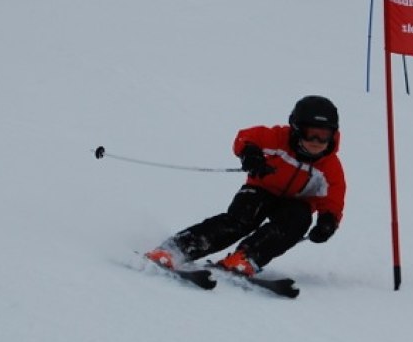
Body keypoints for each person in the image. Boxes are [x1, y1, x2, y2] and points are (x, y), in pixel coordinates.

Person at [146, 95, 346, 277]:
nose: (316, 142)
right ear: (296, 129)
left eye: (324, 136)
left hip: (294, 204)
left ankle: (246, 258)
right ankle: (177, 249)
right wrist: (250, 154)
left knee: (298, 221)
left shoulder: (329, 167)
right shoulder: (279, 138)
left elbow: (333, 198)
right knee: (240, 220)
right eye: (311, 134)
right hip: (261, 190)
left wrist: (328, 221)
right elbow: (246, 137)